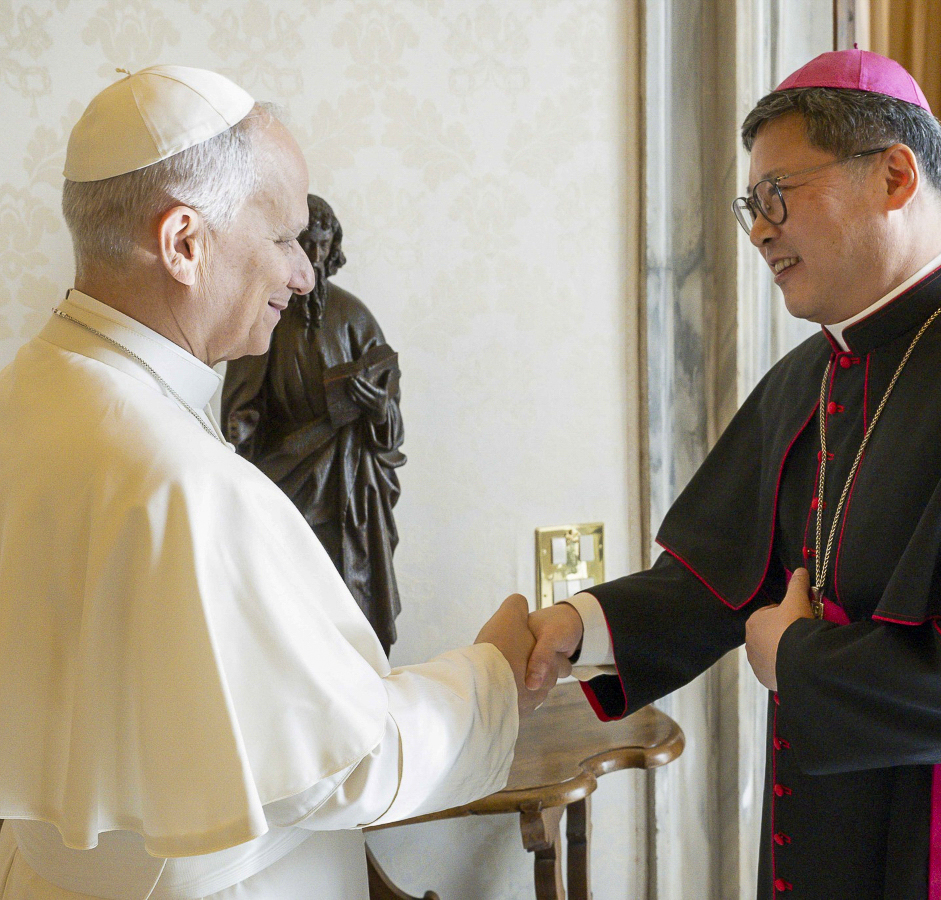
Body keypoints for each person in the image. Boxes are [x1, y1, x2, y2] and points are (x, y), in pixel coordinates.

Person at [525, 50, 941, 900]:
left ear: (896, 176)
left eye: (778, 196)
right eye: (749, 206)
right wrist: (578, 626)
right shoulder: (812, 375)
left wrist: (794, 659)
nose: (759, 229)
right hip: (840, 810)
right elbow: (720, 576)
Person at [0, 65, 546, 900]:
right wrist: (496, 673)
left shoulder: (28, 390)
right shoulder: (184, 485)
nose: (303, 275)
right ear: (185, 242)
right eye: (285, 237)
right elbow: (351, 761)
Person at [223, 194, 406, 657]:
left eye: (324, 245)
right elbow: (243, 406)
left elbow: (391, 424)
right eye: (307, 244)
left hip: (350, 494)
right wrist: (237, 434)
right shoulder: (265, 318)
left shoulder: (355, 317)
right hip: (286, 485)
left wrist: (378, 409)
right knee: (292, 618)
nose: (316, 258)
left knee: (354, 616)